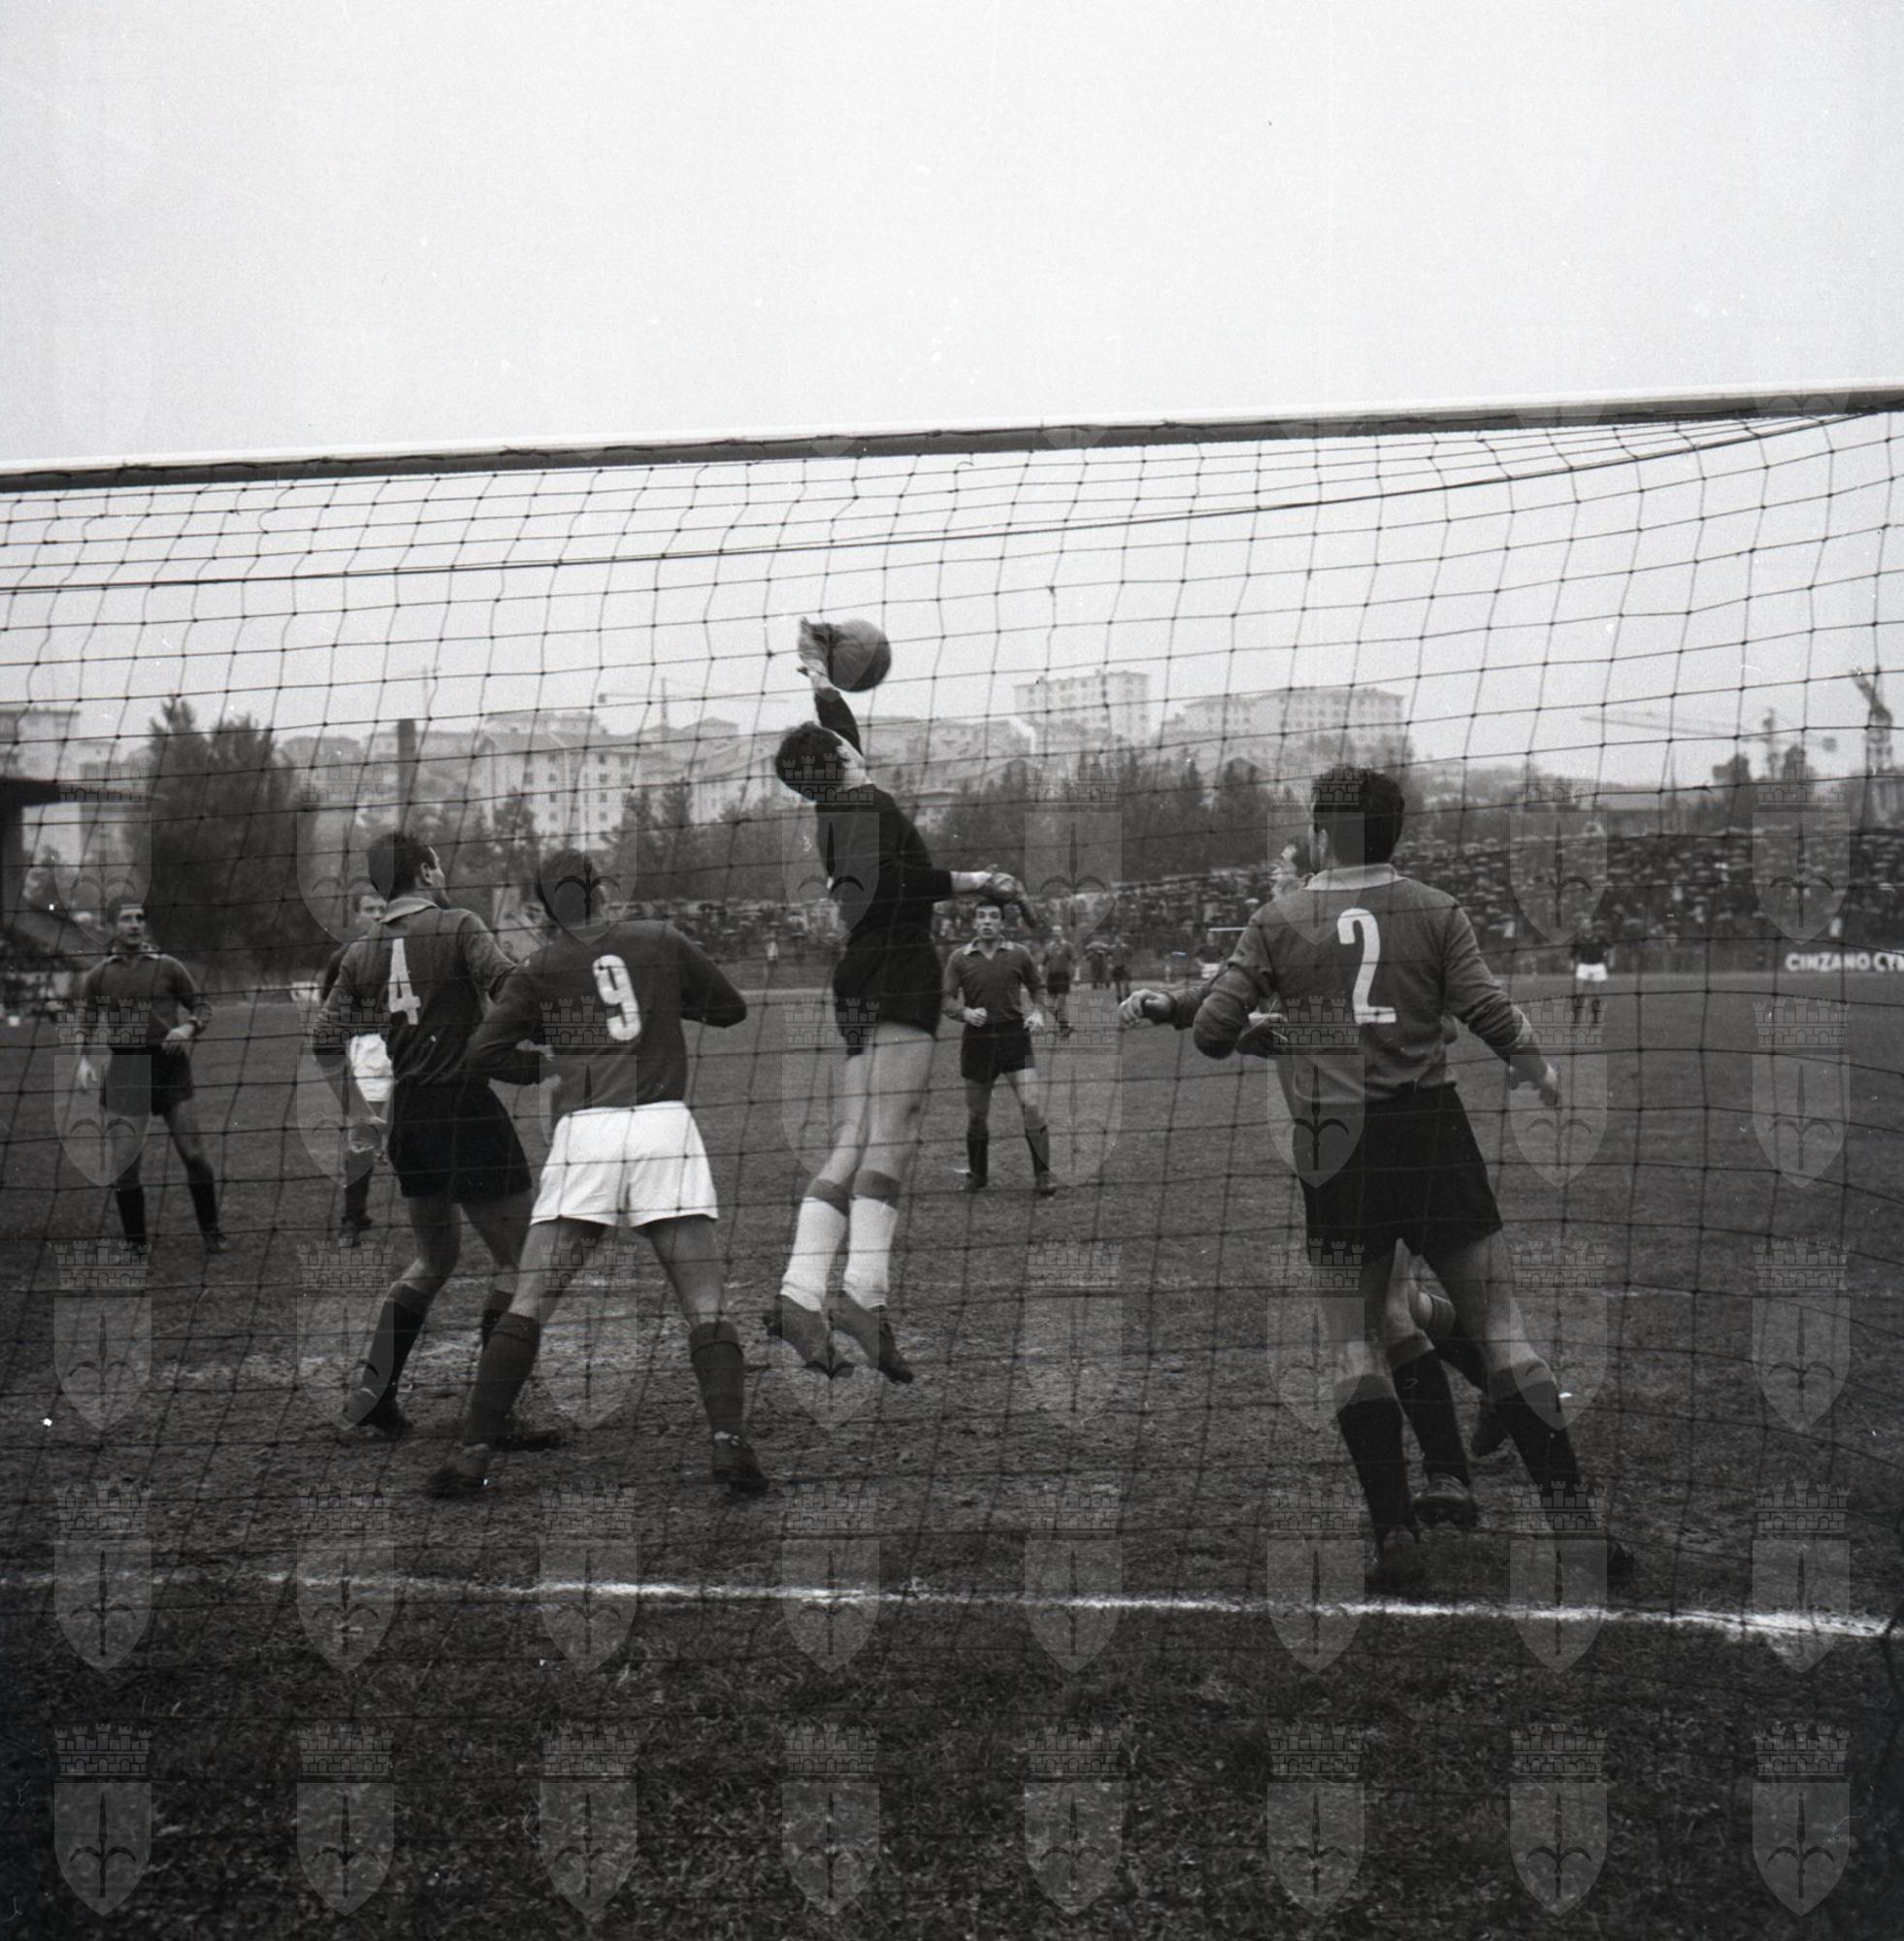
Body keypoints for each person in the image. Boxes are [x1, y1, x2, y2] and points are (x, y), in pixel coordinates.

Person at [1127, 766, 1628, 1592]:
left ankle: (1396, 1538)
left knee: (1357, 1342)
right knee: (1503, 1331)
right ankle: (1579, 1533)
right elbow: (1486, 1009)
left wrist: (1266, 1029)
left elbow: (1213, 1032)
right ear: (1395, 832)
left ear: (1321, 832)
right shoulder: (1436, 908)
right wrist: (1536, 1068)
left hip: (1336, 1146)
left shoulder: (1279, 919)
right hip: (1432, 1133)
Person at [431, 851, 763, 1497]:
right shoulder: (660, 938)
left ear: (542, 909)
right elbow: (730, 1009)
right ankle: (729, 1444)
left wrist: (552, 1067)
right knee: (704, 1302)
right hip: (663, 1128)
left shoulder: (540, 967)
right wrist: (660, 1002)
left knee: (530, 1300)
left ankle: (471, 1454)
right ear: (603, 891)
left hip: (586, 1134)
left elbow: (482, 1052)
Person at [770, 616, 1026, 1381]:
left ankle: (801, 1296)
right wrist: (979, 880)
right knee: (894, 1134)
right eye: (848, 747)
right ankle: (860, 1296)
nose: (857, 745)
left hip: (861, 971)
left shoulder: (840, 804)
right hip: (897, 965)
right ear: (840, 764)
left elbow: (836, 730)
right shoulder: (865, 807)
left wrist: (818, 672)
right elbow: (902, 887)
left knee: (857, 1137)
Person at [309, 830, 552, 1449]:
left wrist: (358, 1112)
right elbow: (510, 988)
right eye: (436, 864)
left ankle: (373, 1399)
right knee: (521, 1261)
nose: (442, 873)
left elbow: (324, 1039)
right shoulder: (459, 923)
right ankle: (493, 1417)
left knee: (434, 1260)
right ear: (424, 871)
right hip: (465, 1109)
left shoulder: (360, 951)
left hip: (409, 1115)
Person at [72, 901, 224, 1256]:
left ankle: (211, 1231)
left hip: (170, 1066)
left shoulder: (169, 966)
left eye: (140, 918)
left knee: (194, 1155)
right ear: (111, 925)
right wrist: (83, 1061)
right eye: (126, 918)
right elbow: (85, 1023)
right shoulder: (98, 976)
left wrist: (188, 1028)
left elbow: (201, 1006)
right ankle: (136, 1244)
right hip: (126, 1070)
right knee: (126, 1168)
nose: (135, 924)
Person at [943, 903, 1056, 1199]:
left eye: (993, 916)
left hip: (1014, 1036)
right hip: (978, 1040)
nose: (987, 921)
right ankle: (978, 1174)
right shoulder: (959, 958)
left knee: (1031, 1104)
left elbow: (1038, 987)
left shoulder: (1019, 954)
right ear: (974, 923)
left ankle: (1043, 1174)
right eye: (981, 916)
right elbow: (945, 998)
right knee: (977, 1114)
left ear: (1002, 923)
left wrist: (1038, 1013)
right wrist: (965, 1013)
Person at [320, 888, 393, 1245]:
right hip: (370, 1047)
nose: (378, 914)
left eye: (382, 908)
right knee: (365, 1132)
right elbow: (328, 1007)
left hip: (411, 1044)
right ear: (356, 916)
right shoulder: (345, 956)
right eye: (369, 909)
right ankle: (352, 1218)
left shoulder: (406, 948)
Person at [1569, 917, 1613, 1026]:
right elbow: (1573, 953)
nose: (1585, 926)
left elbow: (1611, 947)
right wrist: (1571, 964)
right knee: (1579, 993)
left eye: (1587, 923)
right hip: (1583, 966)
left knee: (1597, 994)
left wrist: (1611, 959)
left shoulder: (1599, 937)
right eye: (1583, 924)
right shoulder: (1578, 939)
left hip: (1598, 966)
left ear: (1591, 925)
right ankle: (1576, 1020)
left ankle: (1596, 1020)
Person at [1040, 929, 1075, 1038]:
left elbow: (1075, 961)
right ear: (1052, 935)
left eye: (1058, 933)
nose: (1056, 935)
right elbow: (1043, 963)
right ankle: (1066, 1025)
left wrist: (1077, 975)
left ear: (1062, 933)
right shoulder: (1048, 947)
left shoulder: (1068, 946)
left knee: (1060, 1006)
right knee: (1049, 1005)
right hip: (1051, 978)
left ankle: (1064, 1030)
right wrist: (1039, 977)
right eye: (1054, 933)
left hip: (1063, 977)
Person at [1107, 932, 1133, 1003]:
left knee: (1126, 985)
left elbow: (1129, 956)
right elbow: (1109, 956)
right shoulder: (1112, 948)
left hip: (1124, 967)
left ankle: (1128, 999)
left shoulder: (1126, 947)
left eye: (1119, 939)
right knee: (1117, 986)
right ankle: (1119, 1000)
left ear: (1122, 940)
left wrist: (1128, 964)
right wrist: (1110, 964)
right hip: (1116, 967)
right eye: (1116, 939)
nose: (1117, 940)